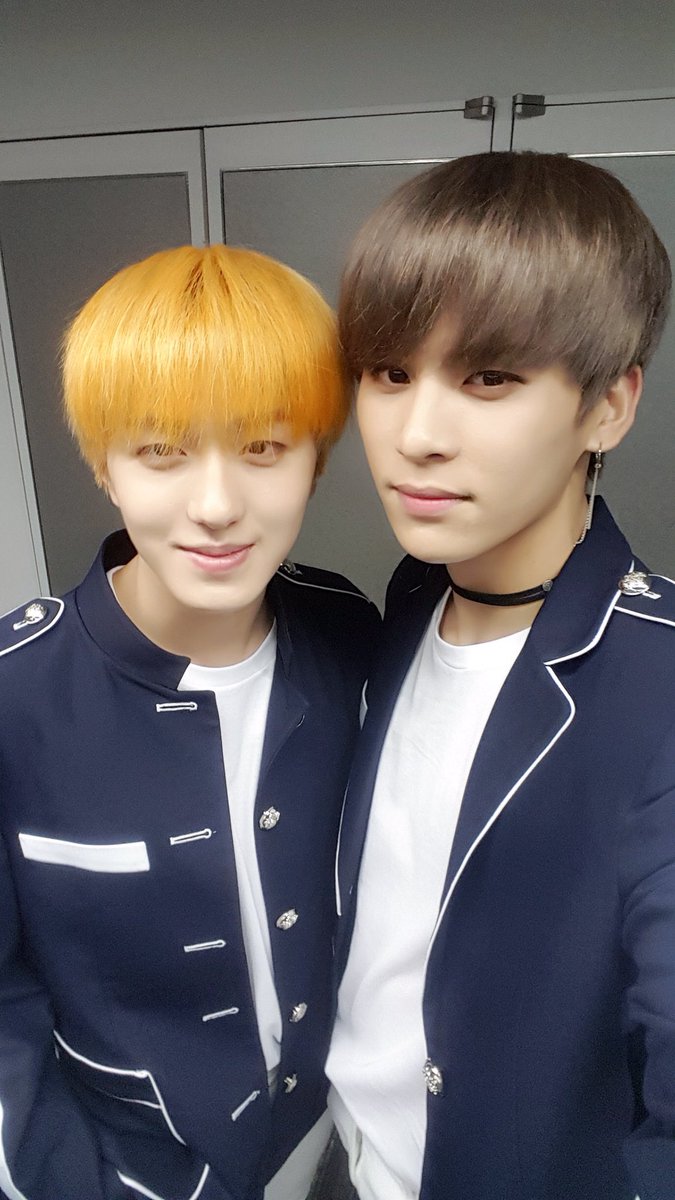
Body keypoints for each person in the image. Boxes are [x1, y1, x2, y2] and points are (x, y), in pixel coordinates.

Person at [326, 151, 674, 1200]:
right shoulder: (404, 607)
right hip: (342, 1160)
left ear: (607, 407)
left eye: (488, 377)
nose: (416, 437)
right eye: (389, 373)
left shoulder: (654, 678)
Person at [0, 244, 379, 1200]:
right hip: (125, 1164)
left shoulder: (346, 632)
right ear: (104, 465)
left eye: (264, 448)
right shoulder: (17, 691)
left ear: (315, 458)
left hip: (325, 1134)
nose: (216, 507)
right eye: (161, 451)